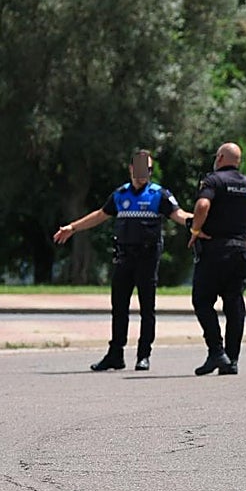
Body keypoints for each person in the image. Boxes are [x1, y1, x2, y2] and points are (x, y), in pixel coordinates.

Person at [52, 149, 191, 371]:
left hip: (147, 258)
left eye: (147, 169)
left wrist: (195, 221)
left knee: (147, 308)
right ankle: (115, 354)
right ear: (130, 168)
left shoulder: (159, 195)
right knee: (119, 307)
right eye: (138, 167)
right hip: (124, 257)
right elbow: (99, 215)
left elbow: (179, 215)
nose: (142, 173)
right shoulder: (120, 195)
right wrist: (72, 227)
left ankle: (143, 355)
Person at [188, 142, 246, 376]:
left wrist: (195, 231)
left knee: (202, 301)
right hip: (239, 252)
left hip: (214, 250)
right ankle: (232, 360)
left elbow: (203, 204)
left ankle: (216, 351)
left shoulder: (213, 181)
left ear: (221, 157)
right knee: (234, 305)